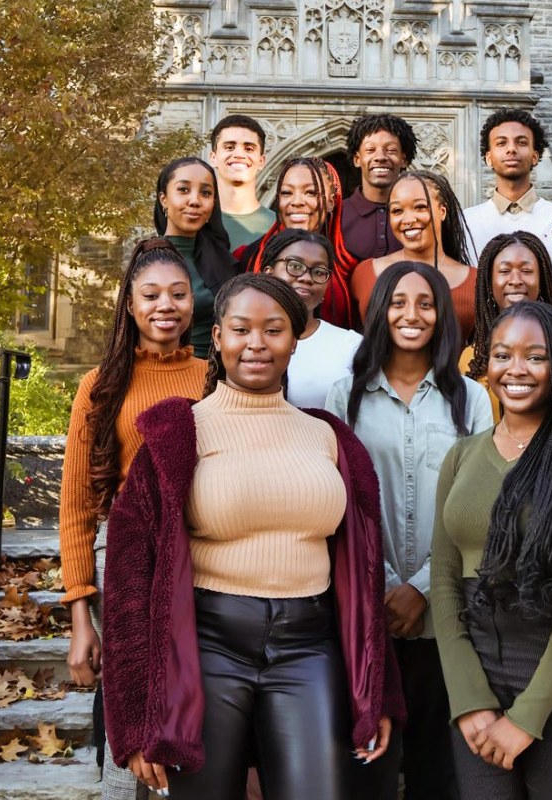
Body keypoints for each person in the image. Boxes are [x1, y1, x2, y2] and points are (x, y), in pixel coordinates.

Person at [102, 273, 405, 800]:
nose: (257, 344)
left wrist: (378, 691)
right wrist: (131, 721)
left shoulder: (331, 438)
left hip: (309, 649)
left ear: (295, 340)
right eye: (241, 329)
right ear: (217, 337)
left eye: (274, 330)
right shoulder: (178, 433)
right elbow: (130, 580)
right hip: (206, 649)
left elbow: (364, 573)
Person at [431, 301, 552, 800]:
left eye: (535, 357)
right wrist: (469, 698)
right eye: (502, 354)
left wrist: (527, 717)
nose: (515, 370)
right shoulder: (462, 456)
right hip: (479, 670)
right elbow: (445, 581)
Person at [327, 262, 492, 800]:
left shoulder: (473, 400)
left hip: (447, 616)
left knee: (439, 776)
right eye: (397, 301)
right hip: (366, 617)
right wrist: (382, 587)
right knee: (367, 771)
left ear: (443, 314)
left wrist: (420, 588)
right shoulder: (343, 396)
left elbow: (485, 504)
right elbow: (337, 503)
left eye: (425, 303)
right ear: (379, 311)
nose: (411, 314)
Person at [59, 238, 208, 800]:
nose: (164, 305)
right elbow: (76, 507)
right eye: (150, 295)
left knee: (189, 711)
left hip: (198, 558)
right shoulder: (100, 386)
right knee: (131, 729)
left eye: (177, 293)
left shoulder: (214, 377)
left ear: (194, 303)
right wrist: (80, 616)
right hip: (122, 565)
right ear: (129, 304)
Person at [350, 171, 477, 342]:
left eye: (419, 207)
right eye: (397, 210)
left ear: (442, 211)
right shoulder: (365, 274)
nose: (408, 219)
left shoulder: (475, 281)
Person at [238, 157, 358, 329]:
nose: (297, 201)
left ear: (331, 201)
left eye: (310, 192)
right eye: (287, 193)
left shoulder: (350, 268)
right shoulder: (247, 257)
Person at [460, 231, 552, 423]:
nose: (515, 280)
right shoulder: (469, 357)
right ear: (489, 282)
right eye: (504, 271)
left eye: (527, 271)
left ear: (542, 280)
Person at [463, 109, 552, 291]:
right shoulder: (466, 222)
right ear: (488, 157)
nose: (511, 149)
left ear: (535, 156)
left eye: (521, 142)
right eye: (501, 143)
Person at [260, 228, 362, 408]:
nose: (306, 278)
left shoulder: (349, 346)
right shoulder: (243, 338)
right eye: (295, 266)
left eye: (319, 271)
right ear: (269, 273)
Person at [154, 156, 240, 358]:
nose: (194, 201)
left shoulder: (225, 262)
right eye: (183, 190)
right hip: (163, 376)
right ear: (164, 199)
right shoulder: (147, 261)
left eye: (206, 193)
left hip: (220, 379)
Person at [342, 114, 419, 261]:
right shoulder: (335, 216)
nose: (381, 157)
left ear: (403, 159)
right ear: (357, 159)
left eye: (390, 150)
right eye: (370, 150)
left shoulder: (421, 216)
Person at [209, 114, 275, 249]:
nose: (239, 154)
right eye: (229, 147)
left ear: (261, 161)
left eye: (249, 149)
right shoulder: (196, 221)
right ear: (213, 158)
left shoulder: (277, 226)